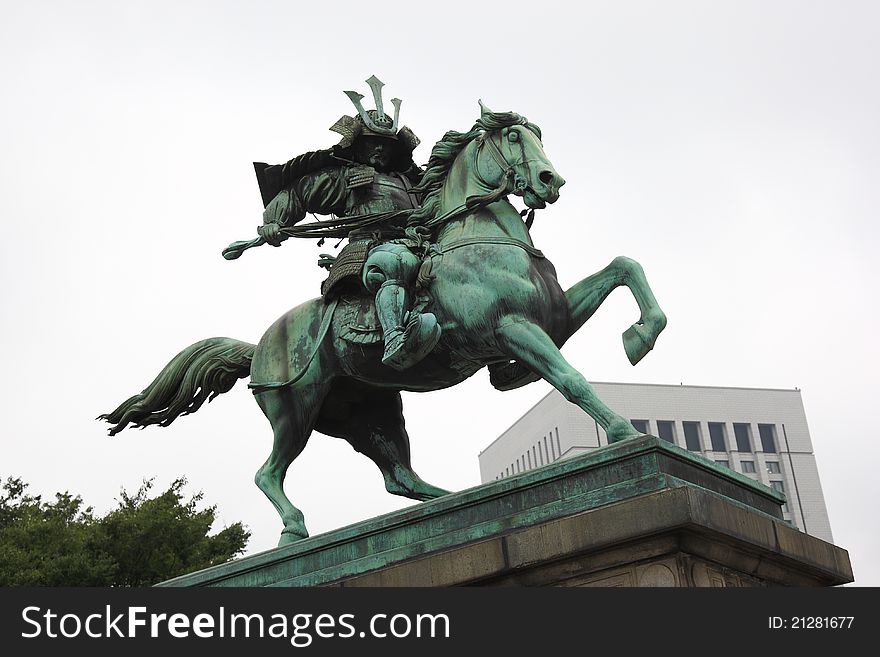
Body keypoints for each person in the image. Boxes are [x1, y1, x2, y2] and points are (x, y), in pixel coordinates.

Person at [252, 76, 440, 371]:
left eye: (385, 145)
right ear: (358, 146)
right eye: (371, 143)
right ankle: (394, 338)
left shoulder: (412, 182)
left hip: (420, 243)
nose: (379, 149)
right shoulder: (349, 178)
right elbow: (299, 192)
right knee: (396, 262)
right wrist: (274, 221)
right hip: (371, 248)